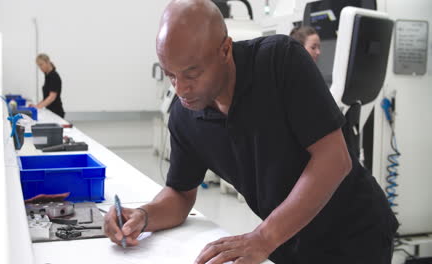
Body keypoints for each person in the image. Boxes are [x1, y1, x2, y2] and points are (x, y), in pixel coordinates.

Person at [104, 0, 398, 263]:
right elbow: (180, 193)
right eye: (170, 75)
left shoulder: (279, 62)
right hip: (286, 242)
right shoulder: (185, 115)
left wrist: (264, 237)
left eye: (191, 74)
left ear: (225, 50)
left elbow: (334, 160)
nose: (180, 89)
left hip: (353, 236)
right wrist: (144, 216)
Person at [31, 53, 65, 118]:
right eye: (39, 66)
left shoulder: (54, 76)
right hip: (50, 110)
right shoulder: (48, 76)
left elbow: (52, 97)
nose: (40, 68)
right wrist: (37, 106)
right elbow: (46, 97)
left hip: (56, 112)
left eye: (41, 64)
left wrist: (38, 107)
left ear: (48, 62)